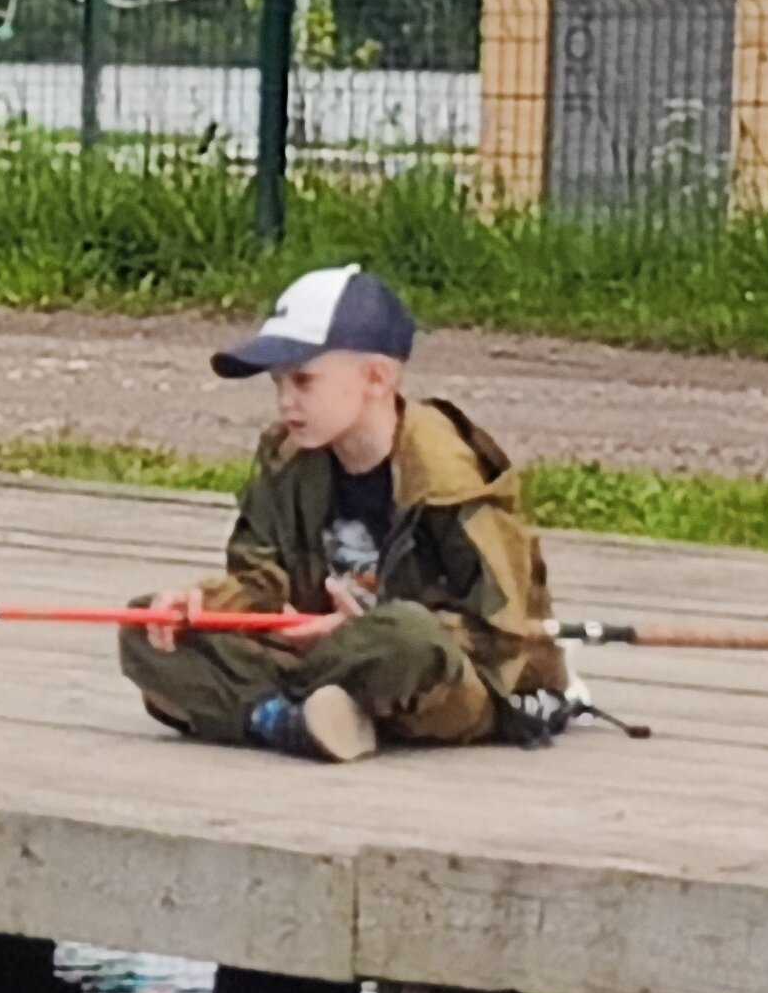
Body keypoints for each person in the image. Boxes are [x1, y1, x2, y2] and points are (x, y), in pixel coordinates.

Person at [122, 263, 576, 762]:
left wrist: (353, 634)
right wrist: (203, 602)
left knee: (407, 634)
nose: (285, 401)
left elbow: (499, 632)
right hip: (317, 654)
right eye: (278, 382)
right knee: (144, 628)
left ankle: (263, 709)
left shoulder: (447, 471)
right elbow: (260, 580)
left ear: (377, 378)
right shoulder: (290, 456)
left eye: (304, 380)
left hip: (440, 680)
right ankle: (299, 718)